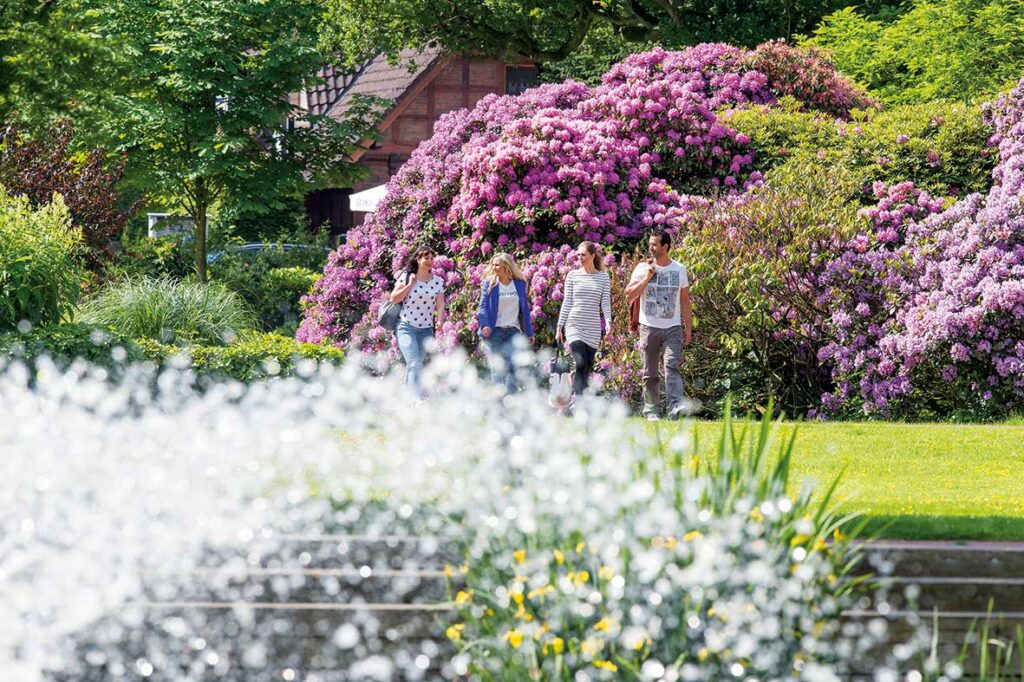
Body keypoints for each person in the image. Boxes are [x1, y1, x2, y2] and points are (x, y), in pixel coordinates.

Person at [625, 231, 692, 420]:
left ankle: (675, 407)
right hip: (648, 326)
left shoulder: (679, 269)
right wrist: (646, 278)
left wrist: (688, 328)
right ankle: (651, 410)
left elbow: (685, 301)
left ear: (666, 246)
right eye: (650, 244)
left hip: (673, 327)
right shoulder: (642, 268)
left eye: (654, 244)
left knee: (672, 366)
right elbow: (629, 295)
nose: (650, 247)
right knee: (650, 372)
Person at [556, 241, 612, 397]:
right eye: (578, 255)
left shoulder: (603, 277)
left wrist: (608, 322)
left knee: (587, 366)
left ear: (592, 255)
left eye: (583, 255)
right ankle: (579, 403)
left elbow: (605, 302)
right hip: (574, 325)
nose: (580, 258)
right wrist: (560, 326)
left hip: (593, 328)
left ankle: (580, 400)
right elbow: (567, 301)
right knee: (580, 362)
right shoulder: (572, 275)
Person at [389, 246, 445, 395]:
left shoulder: (437, 281)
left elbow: (440, 303)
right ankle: (417, 399)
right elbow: (394, 298)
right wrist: (410, 284)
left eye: (432, 258)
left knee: (415, 365)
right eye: (426, 258)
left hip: (426, 330)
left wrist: (439, 321)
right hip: (406, 327)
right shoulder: (407, 276)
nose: (430, 261)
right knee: (414, 363)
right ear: (418, 259)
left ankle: (406, 399)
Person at [477, 253, 535, 392]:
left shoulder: (519, 284)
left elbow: (525, 310)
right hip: (495, 331)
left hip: (513, 331)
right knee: (497, 368)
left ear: (506, 266)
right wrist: (484, 324)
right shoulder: (490, 283)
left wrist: (529, 332)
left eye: (497, 264)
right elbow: (483, 306)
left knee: (513, 367)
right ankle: (497, 403)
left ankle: (511, 401)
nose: (494, 267)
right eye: (493, 264)